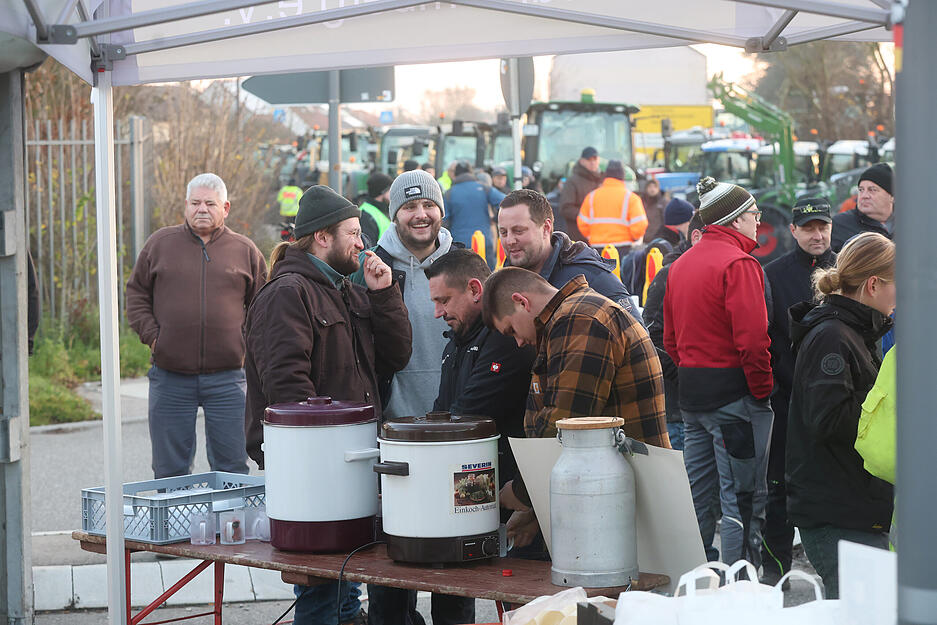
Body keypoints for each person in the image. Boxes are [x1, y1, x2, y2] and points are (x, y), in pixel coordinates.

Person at [243, 185, 412, 625]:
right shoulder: (289, 292)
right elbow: (286, 387)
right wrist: (320, 461)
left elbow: (395, 357)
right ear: (322, 237)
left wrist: (383, 293)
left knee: (344, 579)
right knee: (322, 586)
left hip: (348, 458)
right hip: (314, 464)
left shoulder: (345, 289)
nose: (362, 244)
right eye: (354, 233)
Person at [349, 169, 464, 625]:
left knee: (455, 570)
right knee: (392, 570)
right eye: (409, 207)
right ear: (394, 212)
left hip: (458, 435)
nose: (420, 215)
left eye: (428, 206)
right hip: (393, 433)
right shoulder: (373, 267)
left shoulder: (466, 261)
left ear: (440, 210)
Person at [483, 267, 669, 547]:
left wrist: (523, 493)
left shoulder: (580, 319)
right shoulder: (572, 317)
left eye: (511, 330)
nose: (518, 342)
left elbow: (566, 426)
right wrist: (535, 511)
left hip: (626, 502)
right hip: (614, 495)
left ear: (522, 301)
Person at [663, 176, 774, 567]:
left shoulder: (681, 265)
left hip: (693, 399)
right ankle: (740, 589)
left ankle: (696, 579)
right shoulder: (740, 264)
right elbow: (753, 341)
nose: (758, 221)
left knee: (698, 496)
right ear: (735, 219)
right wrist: (761, 391)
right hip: (735, 401)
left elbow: (672, 340)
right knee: (741, 502)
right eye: (754, 214)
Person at [126, 173, 266, 479]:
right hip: (170, 377)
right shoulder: (160, 245)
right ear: (185, 206)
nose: (201, 209)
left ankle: (229, 528)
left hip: (229, 379)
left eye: (210, 203)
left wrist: (245, 345)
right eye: (195, 203)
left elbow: (263, 308)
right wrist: (153, 337)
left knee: (232, 468)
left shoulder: (244, 250)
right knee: (170, 469)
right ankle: (176, 528)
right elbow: (136, 294)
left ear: (225, 208)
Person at [786, 232, 895, 599]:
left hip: (853, 506)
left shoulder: (853, 331)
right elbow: (828, 419)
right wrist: (887, 407)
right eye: (897, 285)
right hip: (836, 511)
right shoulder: (833, 336)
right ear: (874, 284)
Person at [760, 197, 836, 585]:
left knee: (836, 487)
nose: (817, 234)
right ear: (792, 231)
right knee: (780, 490)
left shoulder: (846, 270)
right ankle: (775, 572)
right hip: (788, 400)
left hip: (838, 402)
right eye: (808, 228)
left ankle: (837, 575)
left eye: (823, 226)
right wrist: (780, 386)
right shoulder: (772, 275)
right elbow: (767, 338)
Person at [427, 249, 535, 489]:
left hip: (506, 489)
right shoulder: (454, 345)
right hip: (470, 483)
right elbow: (441, 414)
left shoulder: (506, 338)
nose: (437, 313)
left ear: (475, 290)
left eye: (443, 301)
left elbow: (467, 417)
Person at [497, 188, 640, 321]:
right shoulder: (502, 283)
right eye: (503, 232)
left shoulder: (592, 278)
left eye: (519, 231)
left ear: (546, 228)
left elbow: (638, 338)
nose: (509, 240)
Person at [641, 211, 705, 451]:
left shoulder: (718, 272)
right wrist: (685, 375)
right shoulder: (669, 275)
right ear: (697, 237)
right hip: (678, 410)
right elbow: (650, 336)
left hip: (711, 406)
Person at [577, 160, 648, 257]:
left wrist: (592, 236)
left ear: (606, 175)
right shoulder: (631, 197)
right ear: (622, 175)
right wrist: (633, 238)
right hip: (623, 248)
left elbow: (582, 223)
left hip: (597, 248)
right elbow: (640, 225)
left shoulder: (592, 196)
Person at [444, 161, 505, 268]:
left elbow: (444, 220)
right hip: (484, 243)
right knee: (488, 280)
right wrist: (496, 219)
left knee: (462, 282)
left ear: (455, 175)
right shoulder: (484, 188)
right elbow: (506, 202)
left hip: (459, 246)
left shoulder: (449, 193)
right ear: (471, 173)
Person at [831, 163, 893, 252]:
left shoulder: (908, 224)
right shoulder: (840, 225)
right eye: (861, 190)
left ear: (891, 196)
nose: (864, 196)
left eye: (872, 190)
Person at [559, 146, 603, 242]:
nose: (592, 162)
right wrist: (586, 216)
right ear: (581, 161)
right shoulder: (572, 182)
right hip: (580, 239)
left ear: (598, 160)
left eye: (595, 159)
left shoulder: (603, 180)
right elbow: (565, 208)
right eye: (588, 159)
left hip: (600, 237)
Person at [358, 172, 393, 247]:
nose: (392, 193)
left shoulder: (385, 209)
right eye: (390, 189)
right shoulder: (365, 216)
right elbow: (368, 249)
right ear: (383, 191)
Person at [640, 178, 667, 242]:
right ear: (646, 189)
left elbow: (665, 222)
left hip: (658, 239)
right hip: (643, 239)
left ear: (658, 189)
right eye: (650, 187)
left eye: (655, 187)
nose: (652, 189)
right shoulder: (640, 202)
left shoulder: (663, 203)